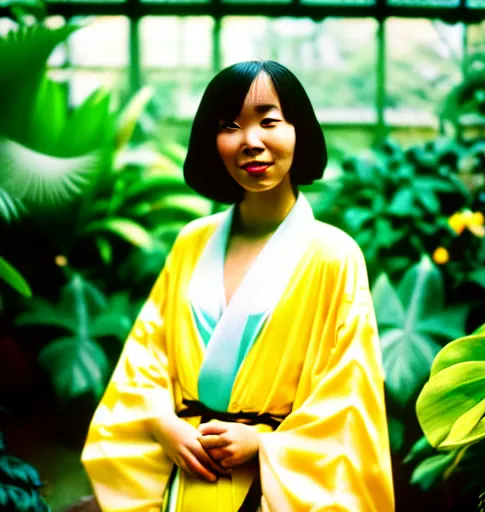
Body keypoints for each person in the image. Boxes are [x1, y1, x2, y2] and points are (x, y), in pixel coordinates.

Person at [81, 60, 395, 512]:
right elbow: (147, 356)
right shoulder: (193, 241)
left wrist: (265, 443)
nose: (251, 141)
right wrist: (162, 422)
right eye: (230, 126)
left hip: (272, 486)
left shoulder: (335, 255)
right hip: (182, 474)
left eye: (269, 121)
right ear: (213, 140)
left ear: (298, 130)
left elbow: (348, 397)